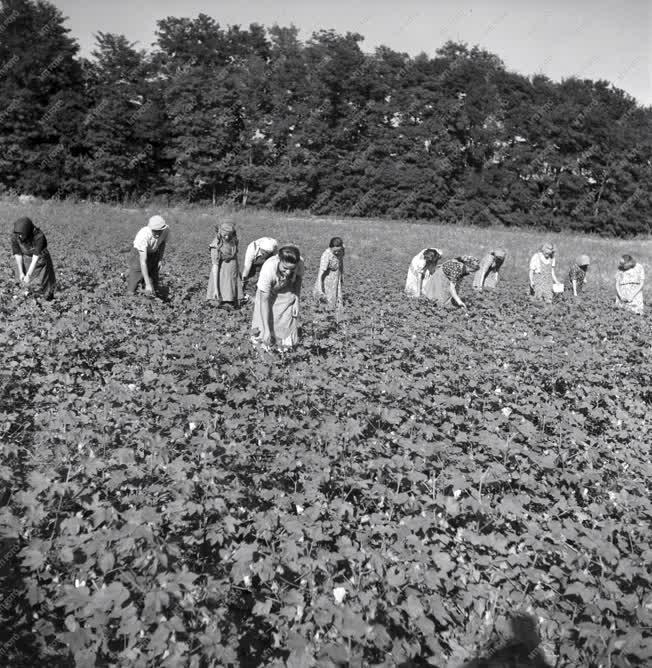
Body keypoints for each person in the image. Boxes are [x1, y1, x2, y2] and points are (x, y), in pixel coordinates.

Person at [251, 245, 304, 350]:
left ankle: (284, 352)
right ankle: (265, 351)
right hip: (268, 295)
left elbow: (298, 280)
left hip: (287, 291)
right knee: (265, 324)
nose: (288, 272)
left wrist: (296, 301)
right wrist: (266, 329)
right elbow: (264, 301)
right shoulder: (268, 269)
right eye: (285, 268)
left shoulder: (300, 262)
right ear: (279, 260)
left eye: (292, 269)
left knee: (287, 320)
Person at [11, 217, 56, 300]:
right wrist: (21, 272)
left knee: (42, 284)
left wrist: (28, 275)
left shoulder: (39, 236)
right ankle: (26, 304)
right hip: (25, 258)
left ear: (27, 231)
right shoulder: (15, 235)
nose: (19, 236)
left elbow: (35, 258)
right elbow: (18, 254)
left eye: (22, 234)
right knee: (21, 283)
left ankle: (46, 303)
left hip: (40, 260)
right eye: (18, 234)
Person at [128, 215, 169, 297]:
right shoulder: (143, 236)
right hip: (138, 254)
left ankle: (149, 297)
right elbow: (143, 262)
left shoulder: (166, 230)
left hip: (153, 253)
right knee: (135, 280)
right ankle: (130, 298)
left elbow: (162, 243)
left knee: (153, 280)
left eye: (159, 231)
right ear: (150, 228)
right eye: (154, 231)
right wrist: (147, 284)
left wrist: (160, 260)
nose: (157, 234)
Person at [206, 221, 242, 307]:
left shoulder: (233, 240)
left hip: (232, 274)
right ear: (220, 233)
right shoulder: (216, 246)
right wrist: (216, 289)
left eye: (229, 235)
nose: (226, 237)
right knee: (219, 301)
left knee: (231, 297)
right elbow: (215, 266)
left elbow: (235, 255)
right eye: (224, 235)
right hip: (222, 275)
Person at [314, 237, 345, 312]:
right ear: (330, 247)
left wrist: (342, 275)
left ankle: (336, 320)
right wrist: (320, 289)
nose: (337, 253)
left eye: (338, 251)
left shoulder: (342, 250)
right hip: (327, 281)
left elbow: (341, 262)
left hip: (336, 280)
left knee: (336, 302)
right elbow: (320, 274)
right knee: (326, 304)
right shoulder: (326, 255)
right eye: (335, 251)